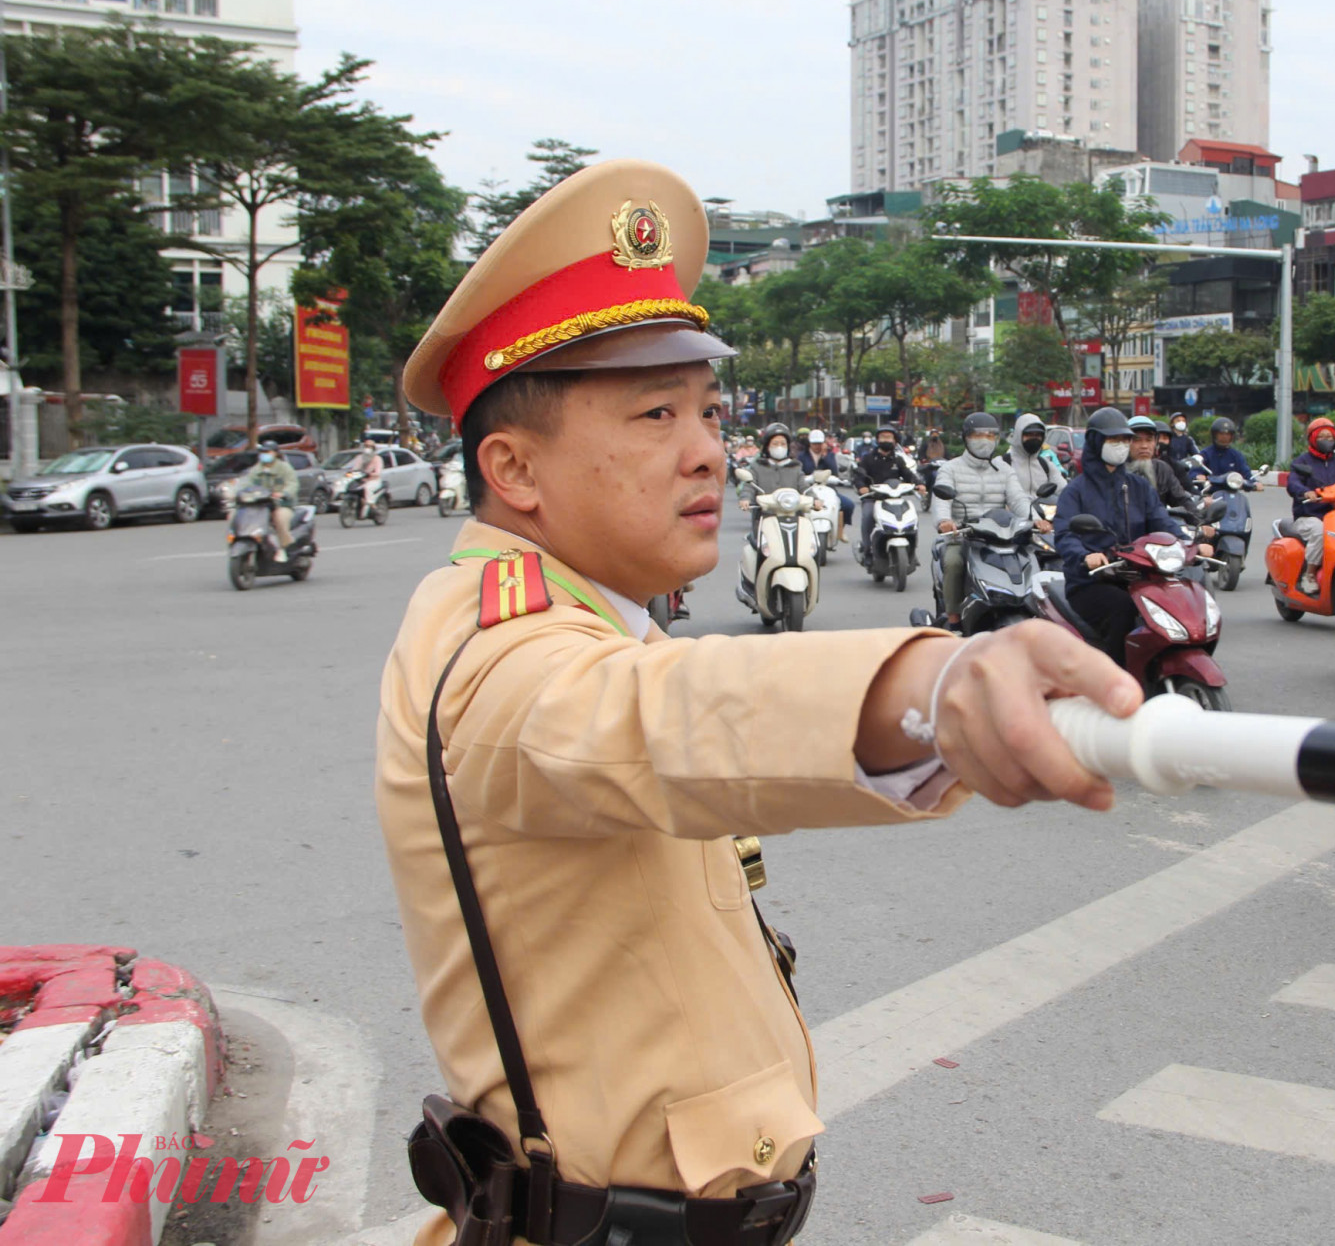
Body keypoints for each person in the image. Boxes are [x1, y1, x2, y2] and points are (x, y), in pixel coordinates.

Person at [379, 160, 1135, 1246]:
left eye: (708, 409)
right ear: (514, 467)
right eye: (653, 413)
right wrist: (931, 685)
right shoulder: (498, 651)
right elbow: (653, 718)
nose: (708, 451)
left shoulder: (582, 615)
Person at [1052, 407, 1206, 652]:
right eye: (1114, 440)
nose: (1121, 445)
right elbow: (1064, 533)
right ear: (1096, 441)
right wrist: (1084, 556)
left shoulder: (1139, 486)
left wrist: (1188, 543)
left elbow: (1161, 521)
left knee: (1181, 600)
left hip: (1140, 575)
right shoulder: (1076, 490)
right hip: (1092, 581)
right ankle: (1115, 678)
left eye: (1125, 439)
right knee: (1123, 609)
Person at [932, 412, 1036, 628]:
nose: (984, 440)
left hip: (1001, 536)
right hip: (962, 535)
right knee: (954, 563)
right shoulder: (950, 468)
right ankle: (954, 621)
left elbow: (1018, 498)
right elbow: (941, 500)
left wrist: (1034, 518)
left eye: (990, 436)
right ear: (966, 438)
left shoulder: (1004, 470)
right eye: (978, 435)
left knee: (1033, 557)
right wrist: (945, 521)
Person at [1285, 416, 1335, 597]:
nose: (1327, 440)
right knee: (1319, 530)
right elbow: (1292, 483)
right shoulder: (1302, 462)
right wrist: (1305, 492)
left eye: (1330, 436)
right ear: (1312, 438)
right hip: (1309, 516)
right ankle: (1309, 574)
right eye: (1322, 437)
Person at [855, 425, 922, 542]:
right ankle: (867, 550)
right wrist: (862, 487)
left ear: (895, 441)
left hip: (895, 499)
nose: (886, 440)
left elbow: (908, 474)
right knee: (868, 516)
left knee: (912, 519)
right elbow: (859, 476)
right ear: (877, 440)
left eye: (889, 437)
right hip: (873, 498)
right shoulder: (868, 458)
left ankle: (912, 553)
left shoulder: (898, 460)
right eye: (883, 437)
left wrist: (919, 484)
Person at [736, 422, 805, 532]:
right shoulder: (757, 466)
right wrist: (745, 499)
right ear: (767, 446)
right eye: (775, 443)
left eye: (783, 444)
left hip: (794, 517)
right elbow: (749, 486)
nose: (779, 447)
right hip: (764, 517)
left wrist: (815, 499)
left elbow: (804, 487)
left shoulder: (795, 467)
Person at [241, 441, 299, 563]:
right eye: (262, 452)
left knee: (280, 518)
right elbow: (245, 483)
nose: (264, 454)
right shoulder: (256, 469)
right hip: (260, 506)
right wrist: (237, 493)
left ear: (276, 453)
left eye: (267, 452)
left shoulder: (284, 468)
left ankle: (283, 548)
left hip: (280, 505)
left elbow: (293, 484)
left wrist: (284, 493)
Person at [797, 428, 853, 542]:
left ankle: (840, 530)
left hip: (827, 488)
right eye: (814, 443)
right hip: (808, 489)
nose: (817, 446)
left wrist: (824, 456)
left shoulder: (830, 456)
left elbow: (834, 471)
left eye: (819, 443)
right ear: (810, 443)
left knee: (848, 505)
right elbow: (798, 472)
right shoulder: (801, 456)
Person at [1003, 412, 1065, 495]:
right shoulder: (1004, 464)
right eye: (1029, 434)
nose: (1034, 438)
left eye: (1038, 435)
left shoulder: (1046, 465)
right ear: (1018, 435)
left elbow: (1064, 491)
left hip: (1043, 508)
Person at [1197, 416, 1253, 481]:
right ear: (1214, 435)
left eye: (1228, 434)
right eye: (1221, 434)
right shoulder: (1205, 453)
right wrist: (1198, 475)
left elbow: (1246, 473)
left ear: (1232, 436)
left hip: (1231, 489)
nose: (1224, 437)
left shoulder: (1236, 455)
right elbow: (1195, 470)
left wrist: (1254, 482)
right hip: (1211, 489)